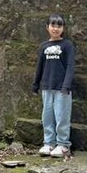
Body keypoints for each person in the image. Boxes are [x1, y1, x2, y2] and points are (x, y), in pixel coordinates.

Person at [32, 14, 76, 158]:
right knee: (47, 116)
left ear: (63, 28)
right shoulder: (44, 46)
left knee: (62, 116)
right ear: (47, 27)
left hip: (62, 88)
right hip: (47, 86)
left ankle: (63, 144)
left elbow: (70, 66)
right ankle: (49, 142)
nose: (55, 28)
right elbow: (39, 67)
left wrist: (66, 85)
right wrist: (36, 84)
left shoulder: (67, 45)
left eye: (59, 26)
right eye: (53, 25)